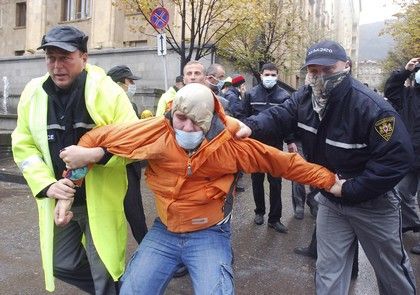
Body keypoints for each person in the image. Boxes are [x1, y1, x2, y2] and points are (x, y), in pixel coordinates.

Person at [60, 83, 340, 294]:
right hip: (164, 232)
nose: (188, 126)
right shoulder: (156, 130)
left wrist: (329, 180)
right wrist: (73, 183)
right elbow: (93, 140)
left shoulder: (231, 145)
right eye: (182, 118)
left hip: (210, 234)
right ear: (173, 113)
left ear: (212, 118)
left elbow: (285, 164)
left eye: (197, 121)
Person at [238, 40, 416, 294]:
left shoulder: (372, 108)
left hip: (374, 204)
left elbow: (396, 159)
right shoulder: (305, 97)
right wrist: (251, 126)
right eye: (313, 71)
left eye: (328, 70)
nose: (320, 76)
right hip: (332, 201)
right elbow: (280, 114)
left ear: (347, 66)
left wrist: (350, 189)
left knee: (392, 272)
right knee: (328, 271)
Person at [11, 25, 138, 294]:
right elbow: (24, 146)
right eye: (51, 58)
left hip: (99, 201)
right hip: (61, 199)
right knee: (60, 262)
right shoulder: (33, 93)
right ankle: (122, 289)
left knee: (104, 267)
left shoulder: (108, 92)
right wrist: (47, 186)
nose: (57, 66)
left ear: (84, 57)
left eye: (65, 57)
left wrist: (96, 154)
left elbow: (135, 141)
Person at [235, 63, 292, 233]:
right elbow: (242, 117)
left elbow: (288, 120)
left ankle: (275, 219)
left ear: (277, 75)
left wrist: (290, 141)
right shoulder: (251, 94)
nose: (270, 78)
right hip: (255, 145)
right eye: (267, 74)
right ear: (261, 75)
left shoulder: (284, 96)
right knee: (257, 180)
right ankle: (259, 212)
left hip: (275, 146)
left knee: (276, 183)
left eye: (273, 75)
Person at [107, 65, 148, 244]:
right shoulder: (124, 102)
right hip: (125, 163)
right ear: (119, 83)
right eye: (130, 81)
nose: (132, 85)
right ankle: (147, 249)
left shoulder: (100, 100)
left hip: (106, 164)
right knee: (134, 211)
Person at [385, 57, 420, 255]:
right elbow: (390, 90)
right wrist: (404, 71)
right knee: (403, 193)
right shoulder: (407, 95)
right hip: (410, 156)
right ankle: (410, 222)